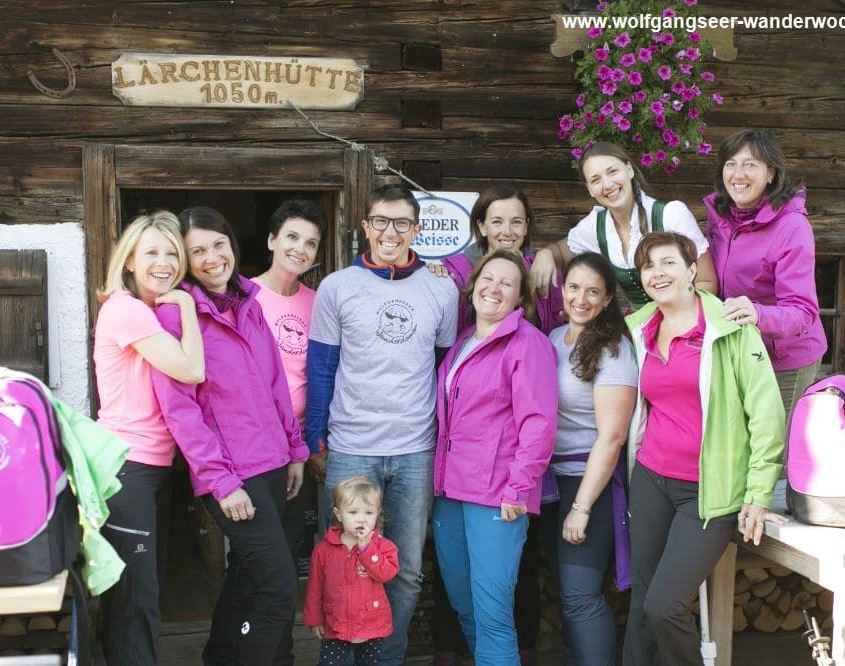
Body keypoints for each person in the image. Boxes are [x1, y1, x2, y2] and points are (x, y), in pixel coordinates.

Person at [306, 184, 459, 665]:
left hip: (415, 447)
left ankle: (384, 658)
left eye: (402, 223)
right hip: (352, 445)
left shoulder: (441, 288)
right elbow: (322, 366)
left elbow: (442, 369)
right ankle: (344, 656)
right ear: (366, 228)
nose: (390, 232)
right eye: (381, 222)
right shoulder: (336, 287)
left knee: (407, 569)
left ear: (417, 230)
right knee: (343, 562)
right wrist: (315, 437)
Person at [151, 206, 308, 666]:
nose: (212, 257)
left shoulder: (249, 301)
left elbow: (275, 382)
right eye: (197, 250)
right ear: (183, 258)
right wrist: (221, 482)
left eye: (219, 244)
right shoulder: (176, 315)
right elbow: (180, 411)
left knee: (247, 579)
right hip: (233, 473)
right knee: (278, 585)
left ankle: (218, 657)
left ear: (233, 246)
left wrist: (295, 449)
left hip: (276, 463)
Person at [622, 231, 786, 666]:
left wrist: (758, 493)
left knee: (664, 606)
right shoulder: (636, 328)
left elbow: (766, 413)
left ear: (693, 270)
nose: (657, 272)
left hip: (708, 492)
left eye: (668, 262)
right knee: (641, 604)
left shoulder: (730, 327)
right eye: (648, 265)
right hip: (651, 480)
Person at [434, 184, 561, 665]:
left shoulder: (527, 344)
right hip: (450, 492)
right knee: (464, 605)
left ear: (521, 297)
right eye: (489, 279)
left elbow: (538, 423)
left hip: (497, 494)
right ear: (474, 285)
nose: (495, 288)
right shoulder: (464, 338)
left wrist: (519, 488)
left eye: (508, 283)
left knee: (491, 614)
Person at [93, 210, 204, 665]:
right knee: (137, 596)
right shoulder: (126, 309)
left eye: (172, 253)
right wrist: (191, 307)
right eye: (152, 253)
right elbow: (191, 369)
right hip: (128, 467)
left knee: (138, 588)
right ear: (130, 262)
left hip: (153, 465)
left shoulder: (149, 310)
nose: (165, 263)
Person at [544, 252, 637, 666]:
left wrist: (581, 507)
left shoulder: (612, 351)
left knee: (581, 597)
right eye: (575, 288)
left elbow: (613, 435)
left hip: (590, 483)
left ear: (606, 299)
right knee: (568, 598)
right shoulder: (553, 339)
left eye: (593, 292)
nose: (581, 299)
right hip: (552, 482)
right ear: (563, 290)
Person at [704, 128, 827, 420]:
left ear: (770, 172)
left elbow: (802, 311)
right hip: (740, 348)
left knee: (776, 453)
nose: (738, 174)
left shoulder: (792, 228)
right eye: (730, 164)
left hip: (786, 358)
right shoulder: (720, 216)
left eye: (750, 164)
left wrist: (758, 314)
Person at [530, 141, 718, 307]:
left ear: (629, 169)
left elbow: (707, 282)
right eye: (596, 180)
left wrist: (672, 323)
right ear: (590, 190)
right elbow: (561, 252)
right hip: (638, 329)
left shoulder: (671, 214)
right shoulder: (595, 227)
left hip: (686, 322)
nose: (608, 184)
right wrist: (545, 254)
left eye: (612, 171)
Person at [251, 198, 326, 566]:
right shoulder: (242, 298)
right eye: (292, 237)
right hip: (256, 447)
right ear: (271, 241)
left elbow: (323, 374)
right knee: (259, 558)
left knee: (291, 549)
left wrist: (311, 446)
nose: (300, 248)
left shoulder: (318, 303)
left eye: (310, 243)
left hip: (300, 445)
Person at [303, 475, 400, 666]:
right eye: (353, 512)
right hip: (336, 624)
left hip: (372, 624)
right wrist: (314, 618)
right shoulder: (324, 549)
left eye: (369, 513)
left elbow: (386, 574)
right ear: (338, 515)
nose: (361, 520)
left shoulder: (384, 547)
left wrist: (367, 549)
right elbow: (315, 587)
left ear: (378, 514)